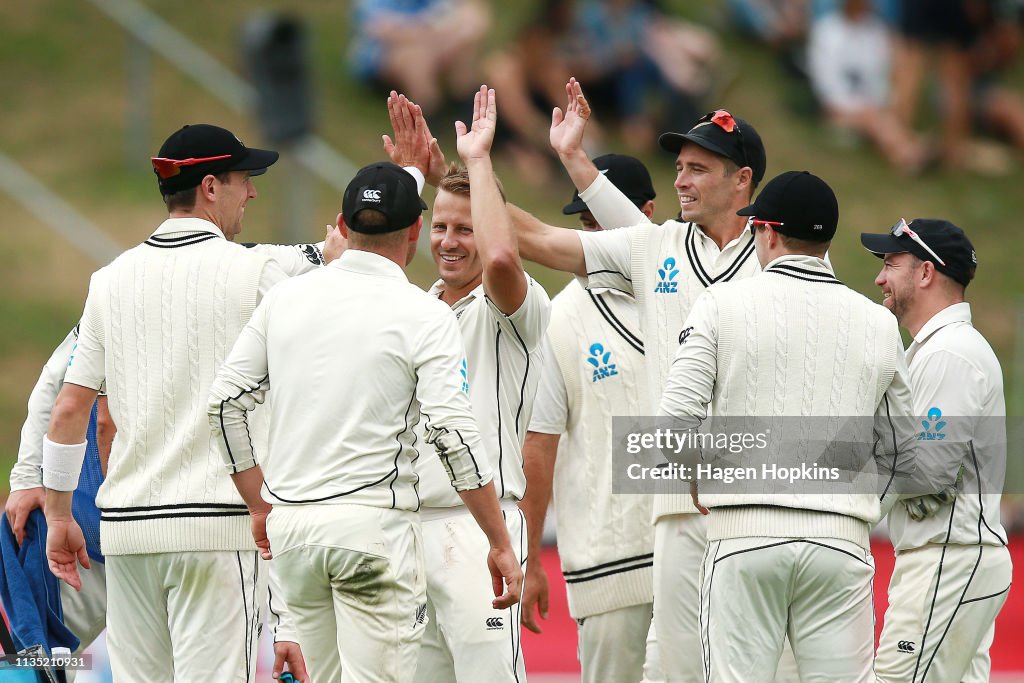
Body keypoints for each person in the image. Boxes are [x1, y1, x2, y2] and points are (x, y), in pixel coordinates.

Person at [207, 160, 522, 683]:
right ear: (417, 231)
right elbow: (451, 434)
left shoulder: (286, 299)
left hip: (294, 534)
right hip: (372, 530)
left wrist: (258, 502)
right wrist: (498, 538)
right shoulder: (423, 314)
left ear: (344, 224)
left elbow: (224, 406)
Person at [506, 78, 768, 682]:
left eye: (699, 168)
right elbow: (545, 240)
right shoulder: (658, 254)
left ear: (742, 180)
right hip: (657, 530)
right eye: (679, 167)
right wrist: (462, 177)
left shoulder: (775, 256)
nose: (682, 179)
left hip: (757, 514)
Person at [41, 123, 305, 682]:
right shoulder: (256, 271)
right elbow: (355, 264)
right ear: (210, 187)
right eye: (243, 179)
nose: (252, 192)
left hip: (128, 533)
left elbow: (70, 411)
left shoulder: (108, 280)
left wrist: (59, 514)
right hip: (217, 529)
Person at [658, 170, 918, 682]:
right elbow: (905, 450)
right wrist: (858, 507)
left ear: (769, 232)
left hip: (744, 535)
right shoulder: (878, 322)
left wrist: (703, 476)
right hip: (840, 541)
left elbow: (672, 430)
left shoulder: (720, 303)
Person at [385, 87, 550, 683]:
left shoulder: (512, 309)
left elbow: (503, 259)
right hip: (407, 530)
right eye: (441, 227)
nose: (450, 241)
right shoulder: (416, 308)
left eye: (466, 229)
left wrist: (477, 161)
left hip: (482, 527)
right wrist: (423, 178)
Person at [520, 153, 660, 683]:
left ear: (644, 213)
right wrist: (532, 557)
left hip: (695, 554)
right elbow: (540, 443)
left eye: (603, 221)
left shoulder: (693, 291)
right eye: (585, 224)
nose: (593, 238)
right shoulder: (560, 319)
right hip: (609, 563)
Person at [861, 218, 1012, 682]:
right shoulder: (936, 350)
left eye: (890, 264)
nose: (879, 278)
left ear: (925, 273)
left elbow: (927, 473)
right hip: (949, 555)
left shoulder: (950, 353)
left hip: (949, 555)